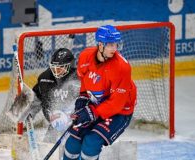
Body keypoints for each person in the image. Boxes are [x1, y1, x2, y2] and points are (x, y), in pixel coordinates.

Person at [62, 25, 137, 160]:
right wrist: (83, 98)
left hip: (119, 112)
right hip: (96, 105)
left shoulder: (122, 67)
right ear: (100, 44)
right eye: (110, 45)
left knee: (91, 142)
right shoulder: (85, 57)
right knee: (72, 142)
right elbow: (85, 81)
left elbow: (116, 104)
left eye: (116, 44)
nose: (114, 49)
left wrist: (93, 112)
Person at [27, 48, 79, 142]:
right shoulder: (45, 78)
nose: (56, 71)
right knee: (48, 146)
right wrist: (29, 111)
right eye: (54, 67)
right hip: (55, 121)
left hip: (75, 123)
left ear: (71, 66)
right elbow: (37, 97)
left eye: (60, 68)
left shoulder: (79, 79)